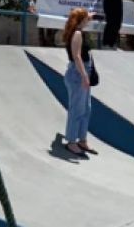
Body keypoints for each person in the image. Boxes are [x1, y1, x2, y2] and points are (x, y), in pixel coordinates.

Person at [62, 8, 96, 156]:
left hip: (82, 72)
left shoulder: (78, 30)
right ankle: (71, 142)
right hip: (78, 75)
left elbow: (86, 17)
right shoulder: (77, 34)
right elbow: (77, 56)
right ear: (82, 20)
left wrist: (90, 15)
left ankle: (82, 140)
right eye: (87, 18)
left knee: (86, 109)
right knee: (76, 109)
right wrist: (84, 76)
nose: (89, 19)